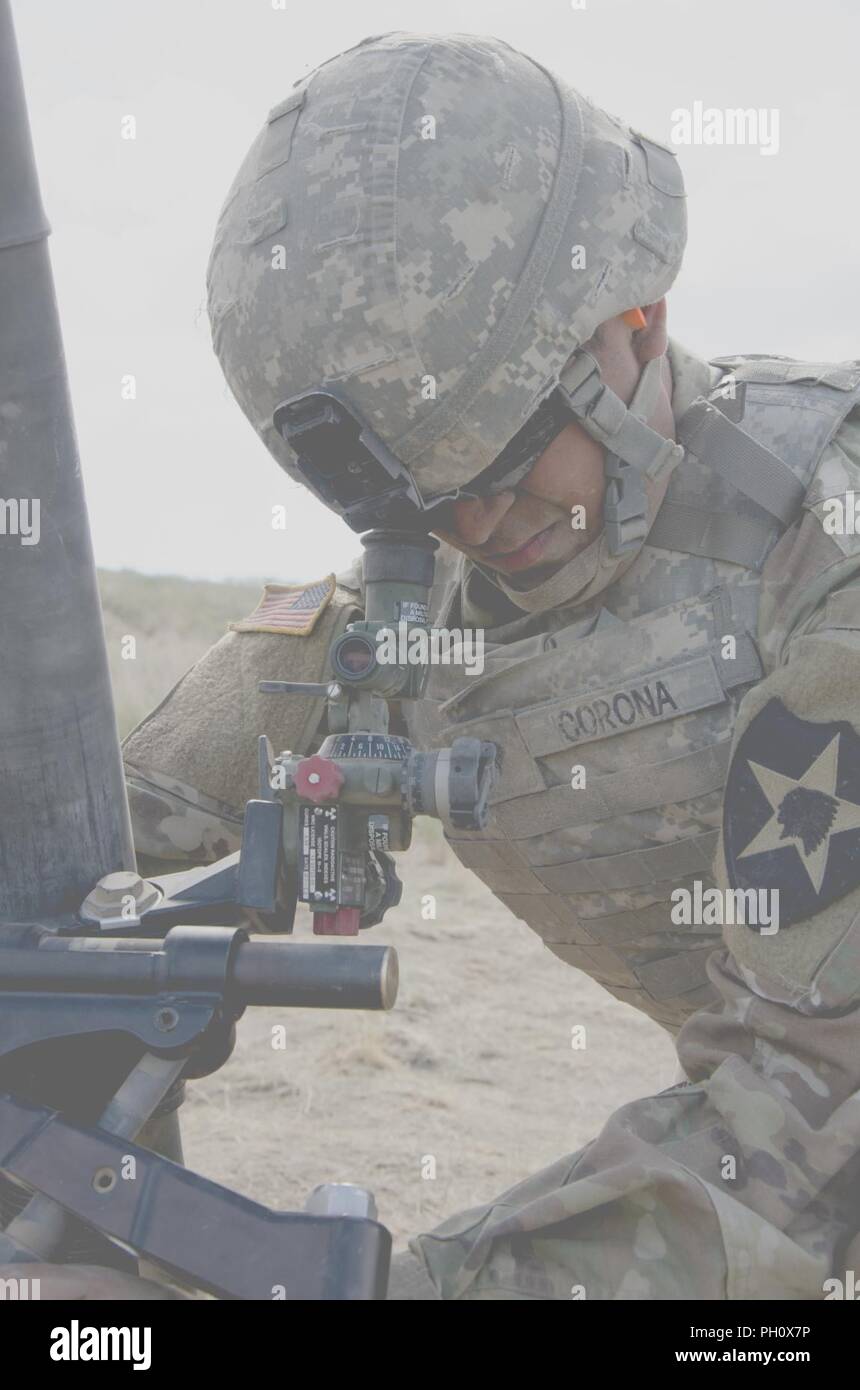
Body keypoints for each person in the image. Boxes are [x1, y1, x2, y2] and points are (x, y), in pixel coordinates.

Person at [18, 30, 860, 1300]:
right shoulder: (415, 611)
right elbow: (87, 822)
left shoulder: (823, 546)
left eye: (511, 467)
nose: (475, 528)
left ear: (635, 320)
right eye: (425, 500)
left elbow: (805, 1116)